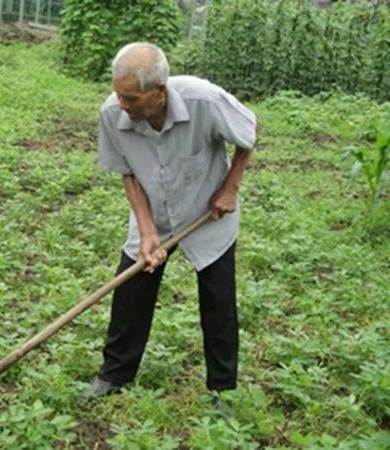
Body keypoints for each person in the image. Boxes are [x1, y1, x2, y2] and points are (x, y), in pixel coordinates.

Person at [83, 42, 258, 411]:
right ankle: (114, 375)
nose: (122, 106)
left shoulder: (204, 101)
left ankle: (223, 391)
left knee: (218, 300)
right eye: (118, 95)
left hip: (207, 211)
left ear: (159, 92)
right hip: (153, 211)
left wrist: (230, 188)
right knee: (131, 289)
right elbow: (127, 172)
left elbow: (250, 131)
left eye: (130, 98)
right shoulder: (112, 113)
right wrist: (147, 232)